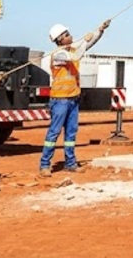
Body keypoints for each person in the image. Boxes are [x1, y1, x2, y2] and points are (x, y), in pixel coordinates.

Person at [39, 18, 111, 177]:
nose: (70, 36)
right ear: (60, 39)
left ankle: (70, 163)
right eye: (67, 34)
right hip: (60, 100)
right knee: (54, 133)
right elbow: (77, 55)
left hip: (73, 98)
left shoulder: (71, 50)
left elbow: (89, 43)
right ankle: (45, 164)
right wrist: (83, 41)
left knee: (71, 134)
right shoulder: (58, 54)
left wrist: (100, 30)